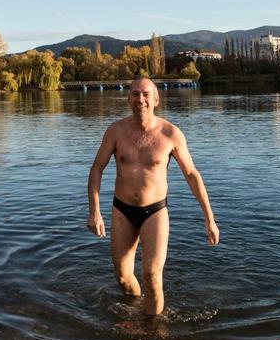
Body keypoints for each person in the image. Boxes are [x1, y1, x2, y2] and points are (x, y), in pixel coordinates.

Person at [87, 78, 219, 316]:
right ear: (128, 99)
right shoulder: (115, 131)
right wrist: (94, 211)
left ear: (156, 99)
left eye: (146, 94)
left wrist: (209, 218)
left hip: (155, 211)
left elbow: (191, 174)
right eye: (135, 94)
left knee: (152, 276)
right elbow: (97, 167)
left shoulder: (170, 134)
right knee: (123, 277)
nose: (141, 100)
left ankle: (154, 339)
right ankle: (136, 310)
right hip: (122, 210)